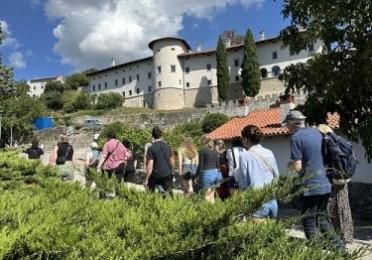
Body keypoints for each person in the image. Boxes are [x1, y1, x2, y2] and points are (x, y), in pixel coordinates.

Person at [285, 110, 345, 252]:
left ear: (293, 123)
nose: (286, 127)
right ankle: (340, 249)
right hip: (325, 184)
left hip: (310, 186)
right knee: (322, 218)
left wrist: (290, 165)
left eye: (287, 124)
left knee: (308, 220)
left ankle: (315, 252)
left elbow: (298, 166)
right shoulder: (317, 133)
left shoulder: (296, 137)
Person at [318, 124, 354, 243]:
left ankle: (334, 237)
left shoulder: (326, 142)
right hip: (344, 178)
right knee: (344, 206)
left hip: (332, 180)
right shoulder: (340, 140)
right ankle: (347, 236)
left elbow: (324, 161)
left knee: (330, 209)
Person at [239, 125, 279, 220]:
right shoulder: (269, 153)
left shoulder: (245, 156)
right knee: (272, 232)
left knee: (257, 233)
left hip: (256, 200)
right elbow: (276, 175)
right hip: (271, 198)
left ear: (246, 139)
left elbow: (243, 181)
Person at [144, 127, 173, 193]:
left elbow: (150, 167)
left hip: (156, 174)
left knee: (150, 194)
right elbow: (171, 162)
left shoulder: (151, 148)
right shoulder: (168, 146)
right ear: (161, 135)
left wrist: (146, 179)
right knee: (167, 196)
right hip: (167, 173)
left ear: (152, 135)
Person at [197, 136, 222, 203]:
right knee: (212, 195)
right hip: (215, 173)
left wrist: (198, 176)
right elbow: (218, 164)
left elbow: (201, 165)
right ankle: (214, 210)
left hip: (207, 174)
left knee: (206, 195)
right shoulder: (215, 151)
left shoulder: (202, 151)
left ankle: (209, 211)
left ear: (205, 143)